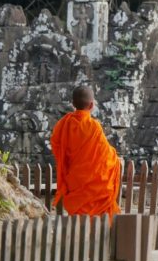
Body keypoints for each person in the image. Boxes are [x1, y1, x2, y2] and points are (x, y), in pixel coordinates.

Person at [51, 85, 121, 217]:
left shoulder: (64, 124)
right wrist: (115, 157)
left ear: (73, 104)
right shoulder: (93, 126)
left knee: (79, 220)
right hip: (93, 184)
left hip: (74, 181)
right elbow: (106, 155)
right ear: (91, 105)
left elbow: (56, 146)